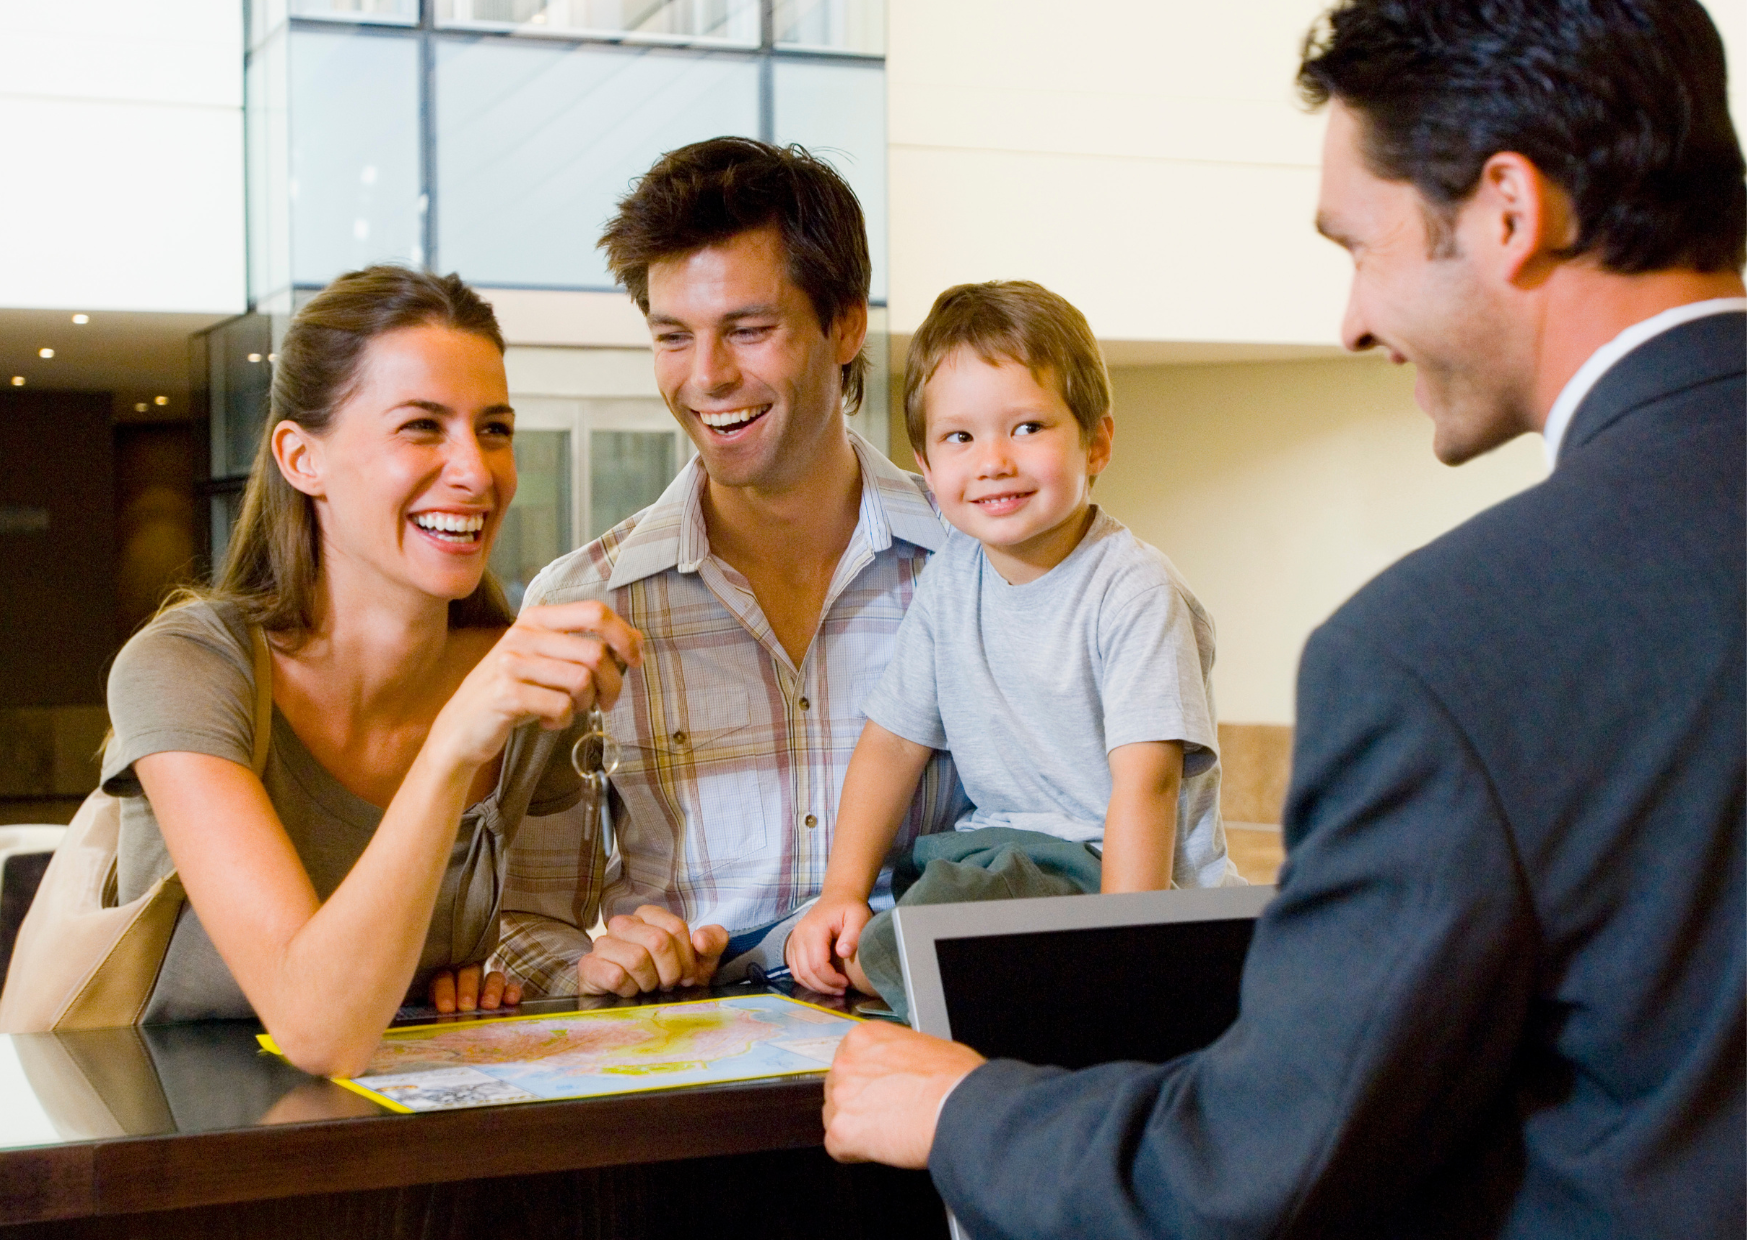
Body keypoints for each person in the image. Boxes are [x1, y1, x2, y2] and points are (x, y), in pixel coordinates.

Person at [820, 0, 1746, 1234]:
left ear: (1506, 212)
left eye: (1358, 247)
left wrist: (960, 1113)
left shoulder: (1430, 650)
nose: (1350, 319)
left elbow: (1260, 1168)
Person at [101, 266, 641, 1076]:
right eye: (422, 427)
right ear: (301, 458)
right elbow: (316, 1028)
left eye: (494, 429)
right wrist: (453, 744)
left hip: (408, 1117)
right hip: (181, 1124)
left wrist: (533, 973)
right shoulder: (189, 667)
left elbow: (537, 934)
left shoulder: (523, 689)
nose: (476, 471)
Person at [495, 138, 963, 999]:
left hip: (932, 1055)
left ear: (845, 324)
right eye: (673, 337)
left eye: (748, 331)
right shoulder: (582, 604)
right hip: (689, 1067)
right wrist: (589, 969)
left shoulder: (977, 567)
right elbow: (521, 915)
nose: (707, 377)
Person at [786, 280, 1239, 1018]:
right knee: (903, 916)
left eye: (1027, 427)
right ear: (926, 466)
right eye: (959, 438)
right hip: (998, 857)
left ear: (1097, 441)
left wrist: (1124, 949)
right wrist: (841, 891)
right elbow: (892, 744)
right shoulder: (950, 580)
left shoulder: (1133, 588)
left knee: (906, 950)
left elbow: (1147, 786)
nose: (993, 460)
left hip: (1110, 875)